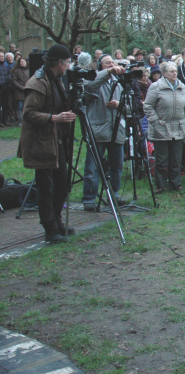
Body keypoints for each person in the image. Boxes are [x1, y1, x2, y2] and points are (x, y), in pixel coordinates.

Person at [19, 44, 77, 243]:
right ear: (59, 63)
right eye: (68, 62)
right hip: (41, 143)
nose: (69, 66)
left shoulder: (56, 80)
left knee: (63, 183)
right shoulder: (38, 82)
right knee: (46, 187)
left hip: (56, 139)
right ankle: (50, 229)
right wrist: (55, 118)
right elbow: (28, 113)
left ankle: (57, 221)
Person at [82, 54, 127, 211]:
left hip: (116, 130)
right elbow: (90, 88)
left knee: (117, 165)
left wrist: (119, 104)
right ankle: (89, 198)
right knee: (92, 166)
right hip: (99, 130)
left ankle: (114, 194)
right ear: (100, 66)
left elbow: (130, 106)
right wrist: (108, 72)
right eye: (107, 63)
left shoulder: (119, 83)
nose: (111, 65)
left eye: (112, 63)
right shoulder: (93, 80)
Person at [142, 61, 185, 192]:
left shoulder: (181, 86)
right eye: (171, 71)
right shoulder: (156, 87)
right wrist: (156, 122)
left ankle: (176, 184)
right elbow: (147, 106)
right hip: (161, 127)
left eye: (175, 71)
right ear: (164, 74)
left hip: (178, 127)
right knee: (161, 160)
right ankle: (160, 185)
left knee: (176, 159)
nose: (174, 73)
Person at [10, 57, 29, 126]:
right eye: (21, 62)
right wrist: (21, 87)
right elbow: (14, 81)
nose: (22, 63)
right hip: (19, 92)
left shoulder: (29, 70)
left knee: (26, 106)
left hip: (28, 91)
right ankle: (20, 120)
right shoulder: (16, 70)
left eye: (23, 62)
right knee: (20, 106)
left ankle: (27, 120)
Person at [0, 52, 10, 126]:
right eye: (0, 56)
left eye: (3, 56)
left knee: (6, 105)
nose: (2, 57)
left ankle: (5, 120)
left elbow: (8, 74)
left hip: (6, 87)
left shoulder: (5, 65)